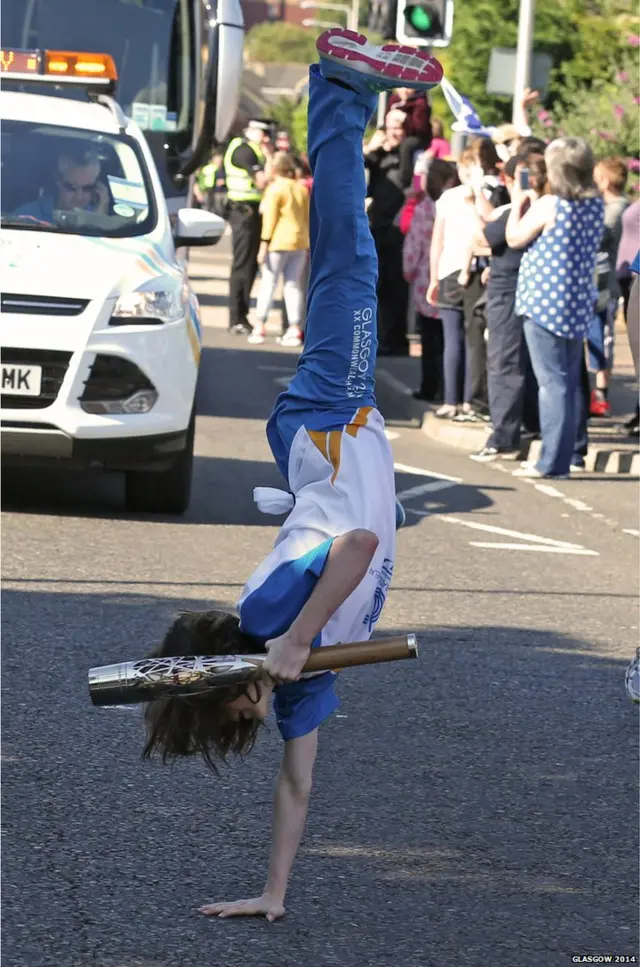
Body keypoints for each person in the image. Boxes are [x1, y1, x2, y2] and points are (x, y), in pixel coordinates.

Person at [141, 29, 443, 922]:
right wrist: (271, 892)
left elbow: (352, 545)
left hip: (329, 414)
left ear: (223, 679)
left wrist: (300, 632)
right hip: (323, 440)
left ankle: (335, 87)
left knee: (349, 247)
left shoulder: (273, 614)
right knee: (350, 253)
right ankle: (343, 95)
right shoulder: (298, 679)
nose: (249, 722)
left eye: (232, 716)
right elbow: (297, 785)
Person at [507, 137, 604, 479]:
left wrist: (519, 201)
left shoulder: (549, 204)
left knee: (552, 384)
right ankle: (564, 459)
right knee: (569, 382)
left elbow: (515, 238)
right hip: (576, 301)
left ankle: (550, 462)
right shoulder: (596, 205)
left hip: (543, 301)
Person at [468, 155, 542, 461]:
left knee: (503, 362)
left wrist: (471, 199)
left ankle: (504, 437)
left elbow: (481, 237)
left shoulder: (520, 210)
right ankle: (528, 426)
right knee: (526, 363)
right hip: (523, 290)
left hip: (507, 293)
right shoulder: (536, 208)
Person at [403, 159, 456, 401]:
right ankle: (449, 388)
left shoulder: (424, 208)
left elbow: (413, 243)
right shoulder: (455, 205)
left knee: (429, 339)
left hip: (424, 278)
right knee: (449, 339)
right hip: (448, 275)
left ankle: (428, 385)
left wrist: (408, 270)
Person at [364, 108, 415, 355]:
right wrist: (372, 147)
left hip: (401, 226)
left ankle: (397, 338)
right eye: (392, 128)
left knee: (397, 286)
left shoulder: (410, 153)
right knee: (380, 284)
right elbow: (360, 163)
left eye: (400, 128)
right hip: (378, 224)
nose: (396, 133)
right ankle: (383, 337)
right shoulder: (378, 155)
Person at [249, 151, 310, 348]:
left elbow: (269, 220)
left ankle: (259, 324)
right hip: (300, 241)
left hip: (278, 241)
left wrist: (263, 245)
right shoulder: (300, 188)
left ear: (275, 169)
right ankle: (294, 328)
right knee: (293, 285)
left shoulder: (275, 190)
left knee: (269, 282)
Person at [223, 120, 273, 335]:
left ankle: (242, 315)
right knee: (242, 265)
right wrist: (269, 156)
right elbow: (263, 181)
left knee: (250, 266)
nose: (267, 139)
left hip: (249, 212)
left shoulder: (249, 149)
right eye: (265, 134)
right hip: (243, 213)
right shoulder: (244, 151)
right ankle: (236, 317)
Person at [588, 157, 630, 416]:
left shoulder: (617, 209)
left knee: (602, 336)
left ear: (603, 180)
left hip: (605, 283)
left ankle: (601, 392)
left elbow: (598, 235)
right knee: (593, 336)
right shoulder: (608, 206)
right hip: (595, 280)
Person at [16, 146, 109, 222]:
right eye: (72, 187)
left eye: (87, 188)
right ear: (58, 181)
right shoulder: (27, 216)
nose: (79, 196)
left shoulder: (98, 214)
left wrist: (98, 221)